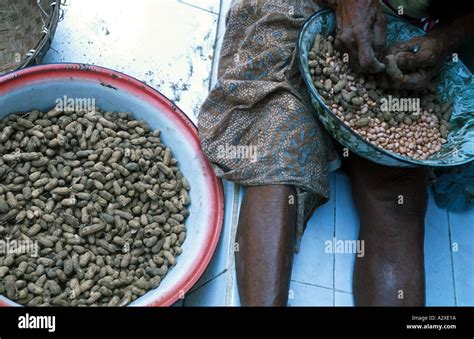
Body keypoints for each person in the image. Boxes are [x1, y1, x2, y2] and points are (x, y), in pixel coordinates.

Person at [198, 0, 474, 306]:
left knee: (397, 192)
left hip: (399, 37)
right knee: (278, 136)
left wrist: (443, 41)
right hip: (302, 7)